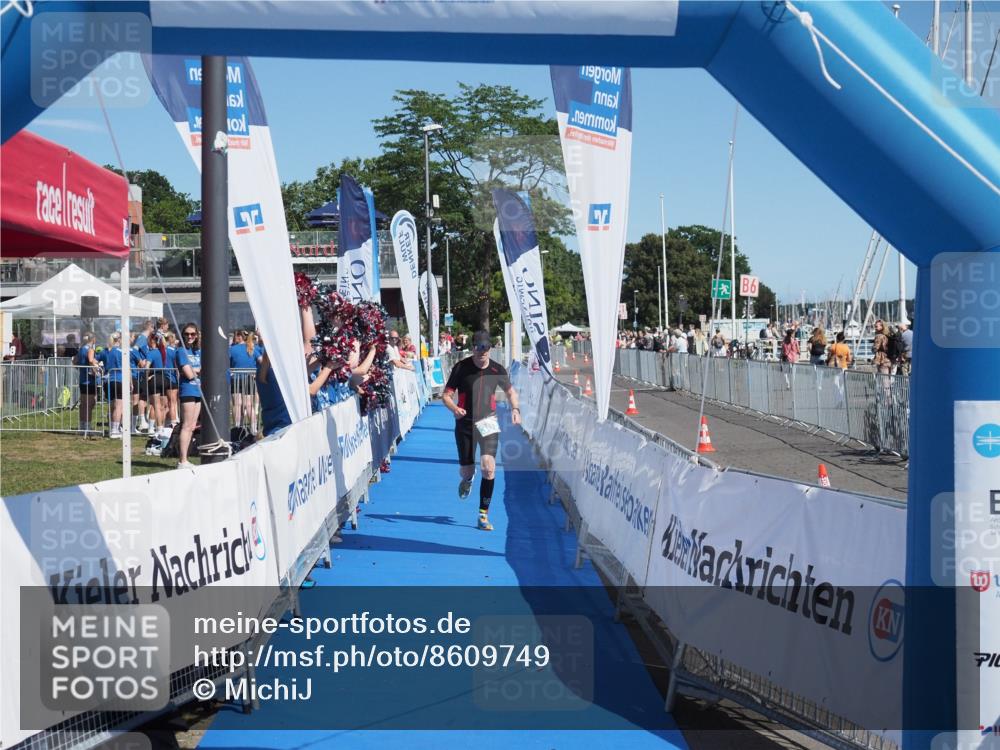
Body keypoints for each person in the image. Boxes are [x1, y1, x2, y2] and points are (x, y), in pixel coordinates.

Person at [442, 330, 521, 532]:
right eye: (478, 348)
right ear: (473, 348)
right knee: (467, 470)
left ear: (490, 349)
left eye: (485, 348)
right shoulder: (461, 368)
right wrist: (454, 409)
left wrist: (515, 410)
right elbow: (446, 396)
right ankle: (468, 479)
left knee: (489, 467)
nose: (481, 352)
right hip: (465, 424)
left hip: (488, 423)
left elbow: (511, 392)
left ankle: (483, 514)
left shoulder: (497, 369)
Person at [175, 323, 203, 469]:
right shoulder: (181, 351)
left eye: (193, 334)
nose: (190, 336)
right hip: (188, 391)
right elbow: (189, 374)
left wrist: (196, 370)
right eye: (187, 334)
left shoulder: (198, 351)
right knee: (186, 426)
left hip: (198, 391)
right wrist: (197, 370)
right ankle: (182, 460)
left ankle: (186, 458)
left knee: (192, 426)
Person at [230, 330, 262, 433]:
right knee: (249, 405)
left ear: (239, 336)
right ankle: (253, 430)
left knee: (237, 405)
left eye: (235, 336)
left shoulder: (232, 349)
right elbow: (261, 360)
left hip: (236, 378)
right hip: (250, 378)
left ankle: (238, 429)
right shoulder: (252, 348)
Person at [99, 332, 125, 438]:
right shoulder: (120, 352)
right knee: (118, 406)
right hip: (118, 380)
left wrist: (98, 369)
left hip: (107, 381)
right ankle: (115, 430)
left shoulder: (105, 351)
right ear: (119, 340)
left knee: (111, 406)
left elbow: (95, 360)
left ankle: (112, 428)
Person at [144, 330, 169, 436]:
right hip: (164, 378)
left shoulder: (152, 352)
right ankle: (161, 427)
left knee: (156, 406)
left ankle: (159, 429)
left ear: (151, 340)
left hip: (155, 379)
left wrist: (146, 377)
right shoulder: (163, 352)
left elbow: (146, 367)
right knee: (163, 406)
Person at [75, 333, 100, 437]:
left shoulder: (81, 349)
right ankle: (87, 427)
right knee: (89, 405)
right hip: (89, 381)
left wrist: (81, 369)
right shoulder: (90, 349)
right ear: (93, 339)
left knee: (83, 404)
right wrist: (96, 371)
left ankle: (82, 426)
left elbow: (74, 361)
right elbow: (90, 360)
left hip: (82, 380)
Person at [164, 332, 180, 427]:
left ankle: (167, 422)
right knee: (172, 402)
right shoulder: (173, 351)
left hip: (164, 377)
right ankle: (174, 422)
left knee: (166, 402)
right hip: (172, 378)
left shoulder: (162, 350)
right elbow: (176, 365)